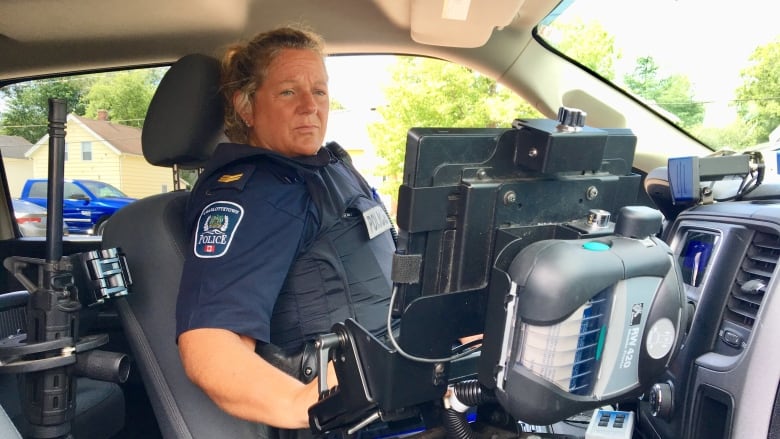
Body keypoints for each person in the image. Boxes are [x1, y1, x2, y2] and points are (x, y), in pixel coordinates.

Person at [175, 25, 396, 434]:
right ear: (246, 106)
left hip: (402, 381)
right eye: (288, 92)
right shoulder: (255, 195)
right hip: (357, 415)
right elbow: (209, 344)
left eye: (320, 91)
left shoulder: (331, 169)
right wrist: (305, 404)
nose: (310, 106)